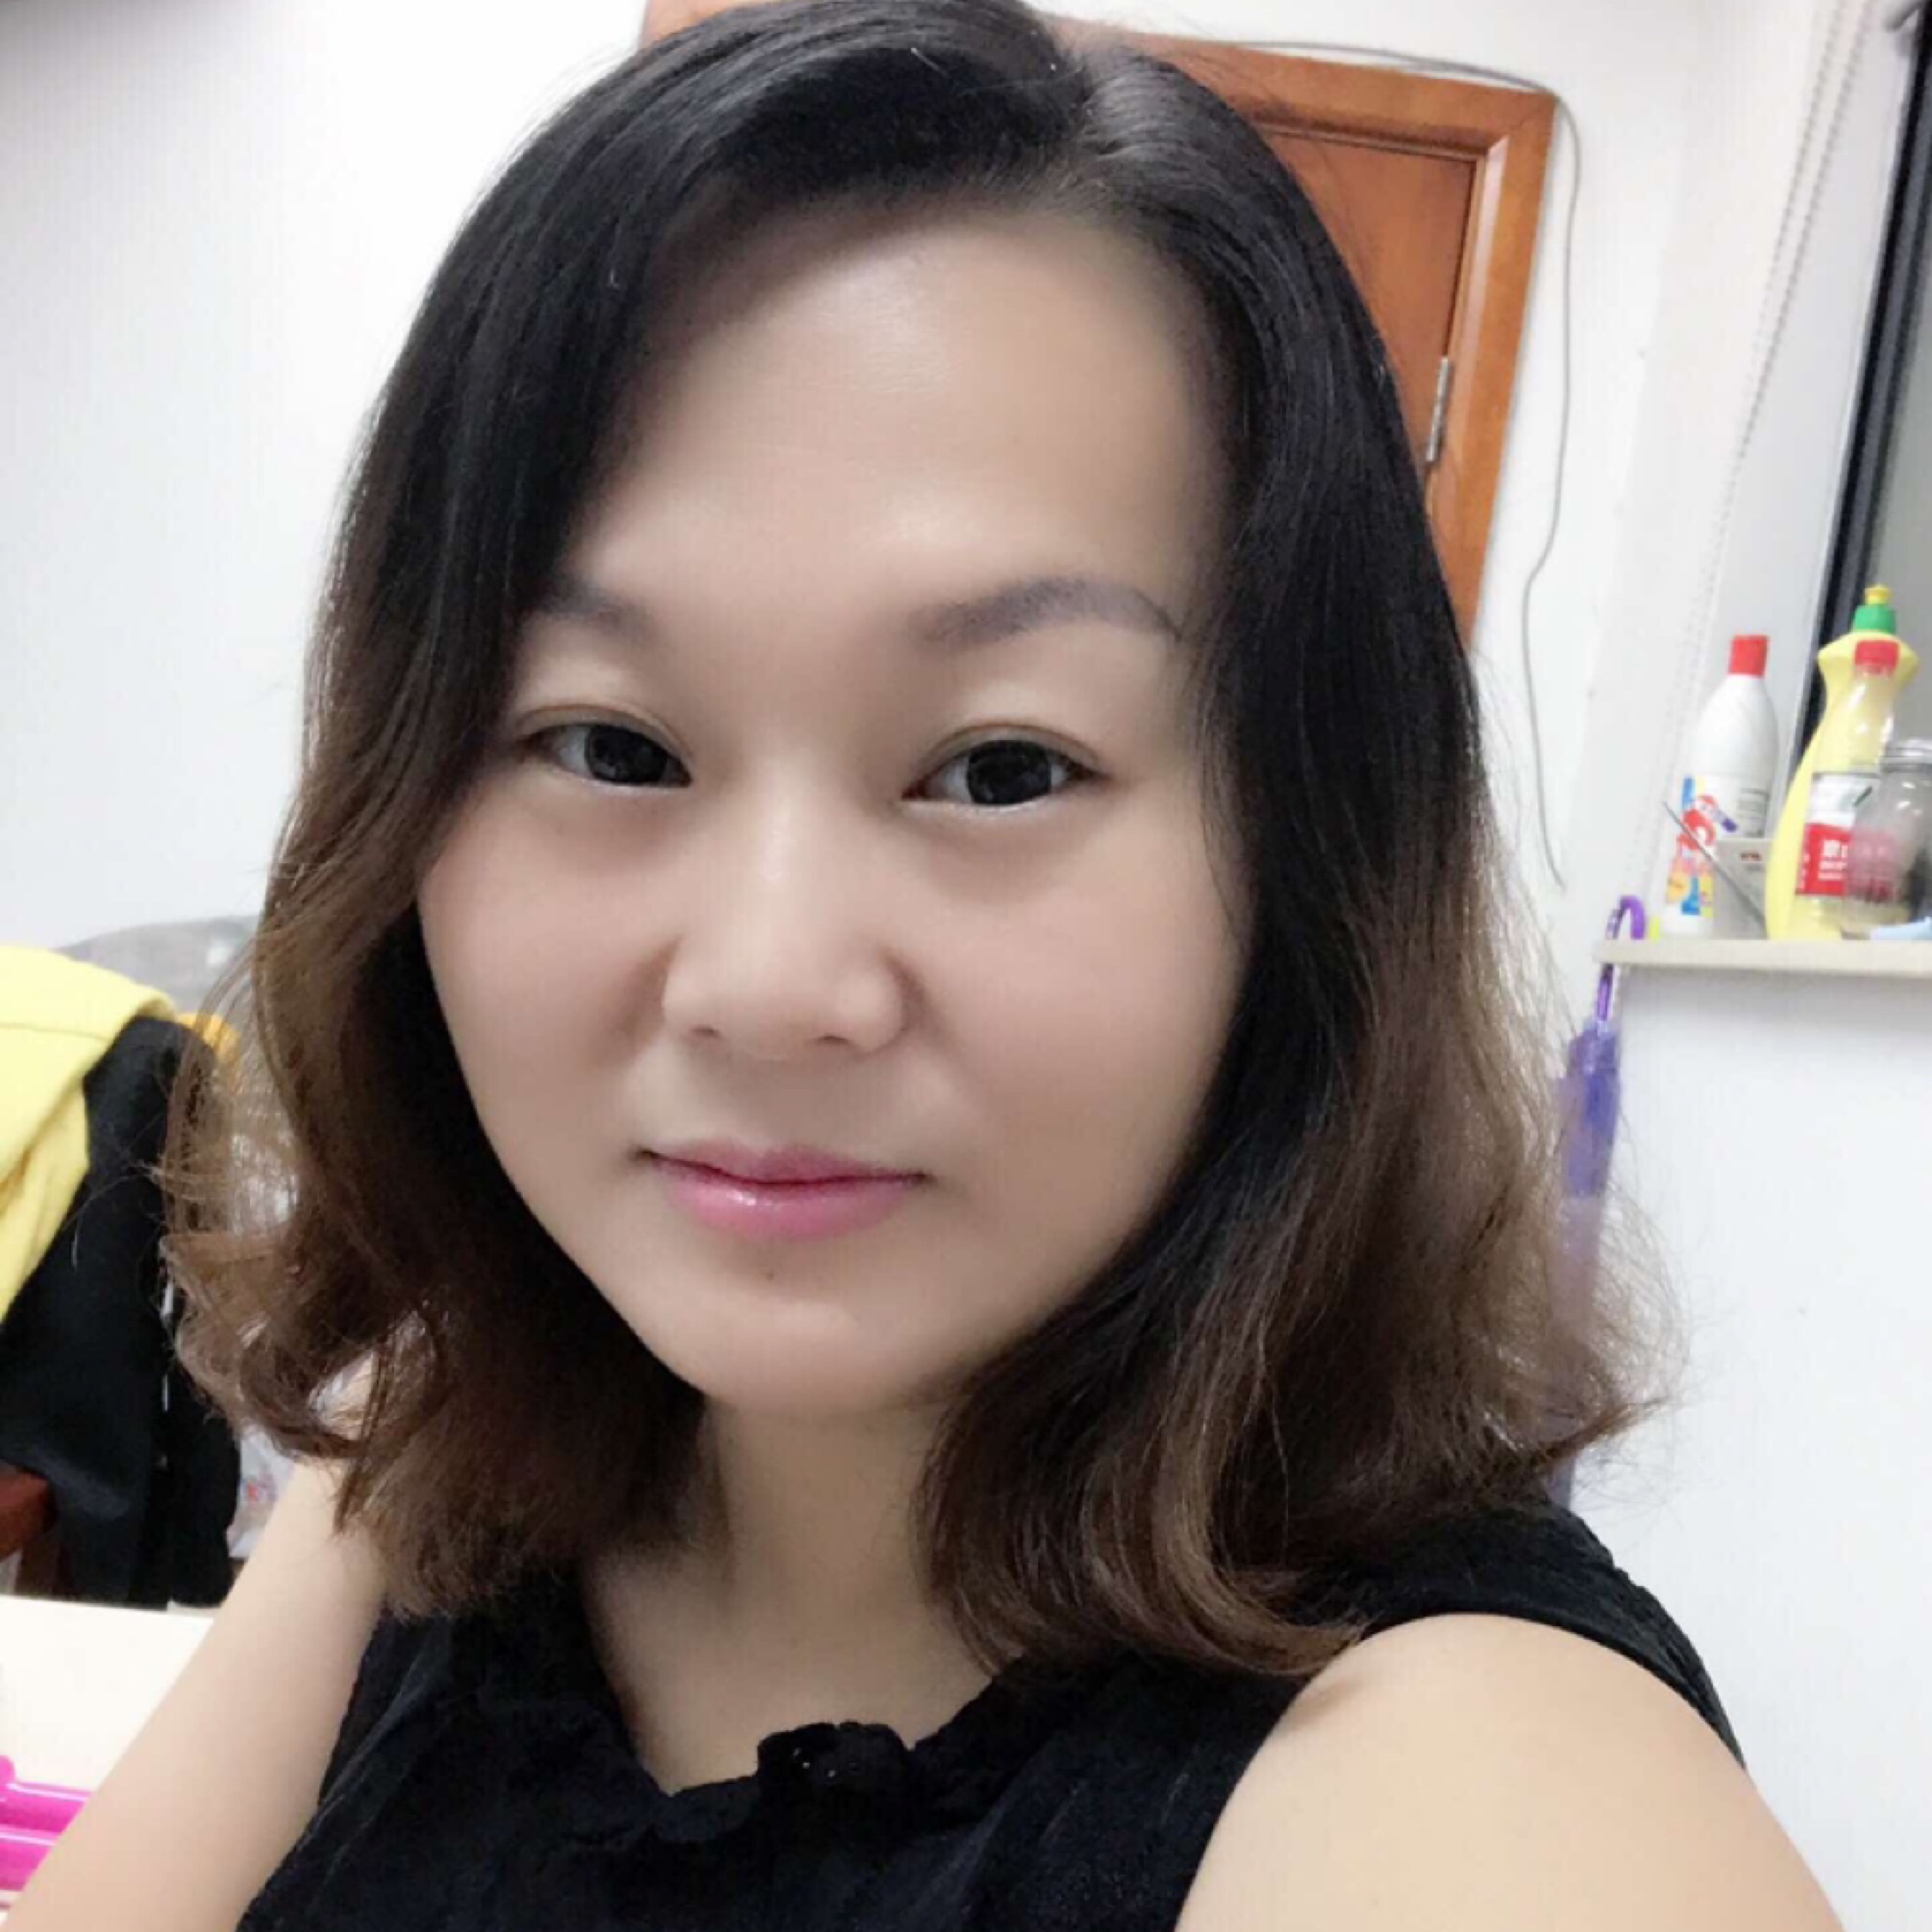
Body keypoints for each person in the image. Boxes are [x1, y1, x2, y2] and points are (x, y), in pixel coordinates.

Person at [12, 2, 1844, 1927]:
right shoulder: (442, 1466)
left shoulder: (1482, 1792)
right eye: (612, 744)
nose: (767, 980)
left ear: (1311, 849)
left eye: (1001, 769)